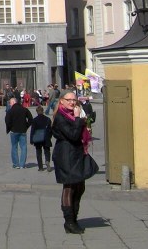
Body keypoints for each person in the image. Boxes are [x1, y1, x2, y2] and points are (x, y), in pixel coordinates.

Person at [53, 90, 98, 234]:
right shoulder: (60, 116)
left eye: (74, 100)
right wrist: (78, 118)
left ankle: (74, 217)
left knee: (80, 187)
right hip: (66, 156)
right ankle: (69, 222)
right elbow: (72, 135)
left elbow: (78, 133)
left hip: (76, 154)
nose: (72, 102)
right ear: (62, 101)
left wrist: (85, 123)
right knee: (69, 187)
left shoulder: (72, 114)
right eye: (69, 100)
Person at [4, 96, 33, 169]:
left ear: (14, 102)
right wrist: (26, 126)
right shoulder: (24, 109)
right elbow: (31, 119)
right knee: (23, 147)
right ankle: (22, 164)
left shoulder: (10, 111)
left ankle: (16, 164)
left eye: (10, 103)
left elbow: (7, 121)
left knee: (14, 147)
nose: (10, 104)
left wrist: (10, 128)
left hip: (14, 131)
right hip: (23, 131)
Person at [29, 105, 53, 171]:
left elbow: (32, 130)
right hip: (46, 137)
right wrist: (49, 136)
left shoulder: (35, 120)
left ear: (37, 112)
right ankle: (47, 160)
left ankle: (40, 167)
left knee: (38, 152)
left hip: (38, 138)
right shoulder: (48, 119)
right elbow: (50, 129)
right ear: (43, 111)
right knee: (47, 151)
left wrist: (31, 140)